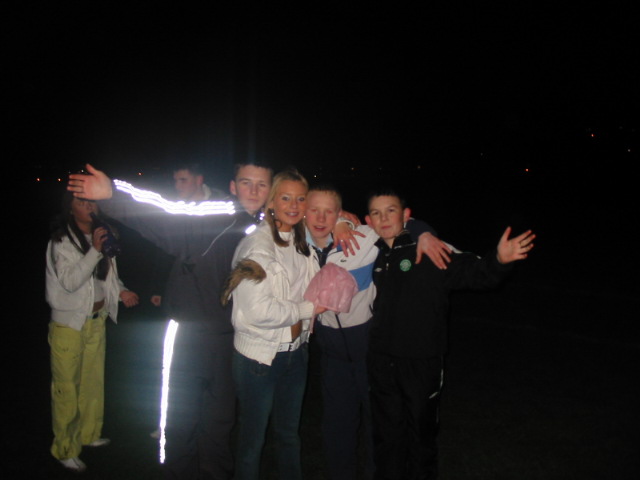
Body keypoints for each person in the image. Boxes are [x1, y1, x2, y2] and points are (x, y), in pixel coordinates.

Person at [67, 162, 272, 480]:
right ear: (233, 187)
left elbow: (310, 212)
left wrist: (342, 222)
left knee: (220, 420)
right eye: (247, 183)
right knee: (179, 418)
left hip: (233, 336)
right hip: (188, 331)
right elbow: (167, 216)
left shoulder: (267, 225)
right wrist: (114, 194)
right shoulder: (216, 213)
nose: (254, 191)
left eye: (262, 184)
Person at [364, 188, 535, 480]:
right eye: (376, 213)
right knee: (387, 438)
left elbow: (474, 273)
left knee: (421, 439)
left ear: (406, 215)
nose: (384, 218)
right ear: (369, 221)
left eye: (391, 210)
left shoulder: (429, 248)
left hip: (421, 362)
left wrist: (499, 260)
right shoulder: (376, 255)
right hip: (381, 363)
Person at [304, 186, 451, 480]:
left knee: (379, 425)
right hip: (331, 356)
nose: (321, 218)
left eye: (329, 211)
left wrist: (424, 232)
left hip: (368, 350)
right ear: (304, 213)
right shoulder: (297, 248)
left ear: (340, 213)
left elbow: (397, 224)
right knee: (337, 426)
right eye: (314, 210)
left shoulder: (362, 238)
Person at [222, 169, 324, 480]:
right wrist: (309, 309)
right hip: (259, 359)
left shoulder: (302, 241)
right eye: (285, 198)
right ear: (271, 202)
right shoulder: (257, 247)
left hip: (296, 353)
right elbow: (258, 311)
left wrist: (344, 221)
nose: (294, 205)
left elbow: (336, 219)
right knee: (252, 442)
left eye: (300, 199)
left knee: (289, 436)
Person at [45, 192, 139, 473]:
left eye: (92, 201)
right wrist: (95, 250)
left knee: (92, 383)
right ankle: (65, 448)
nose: (88, 206)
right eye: (81, 202)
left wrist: (121, 290)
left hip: (97, 321)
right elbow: (71, 281)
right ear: (70, 208)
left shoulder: (102, 235)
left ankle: (89, 434)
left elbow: (105, 277)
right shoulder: (61, 242)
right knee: (67, 390)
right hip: (69, 325)